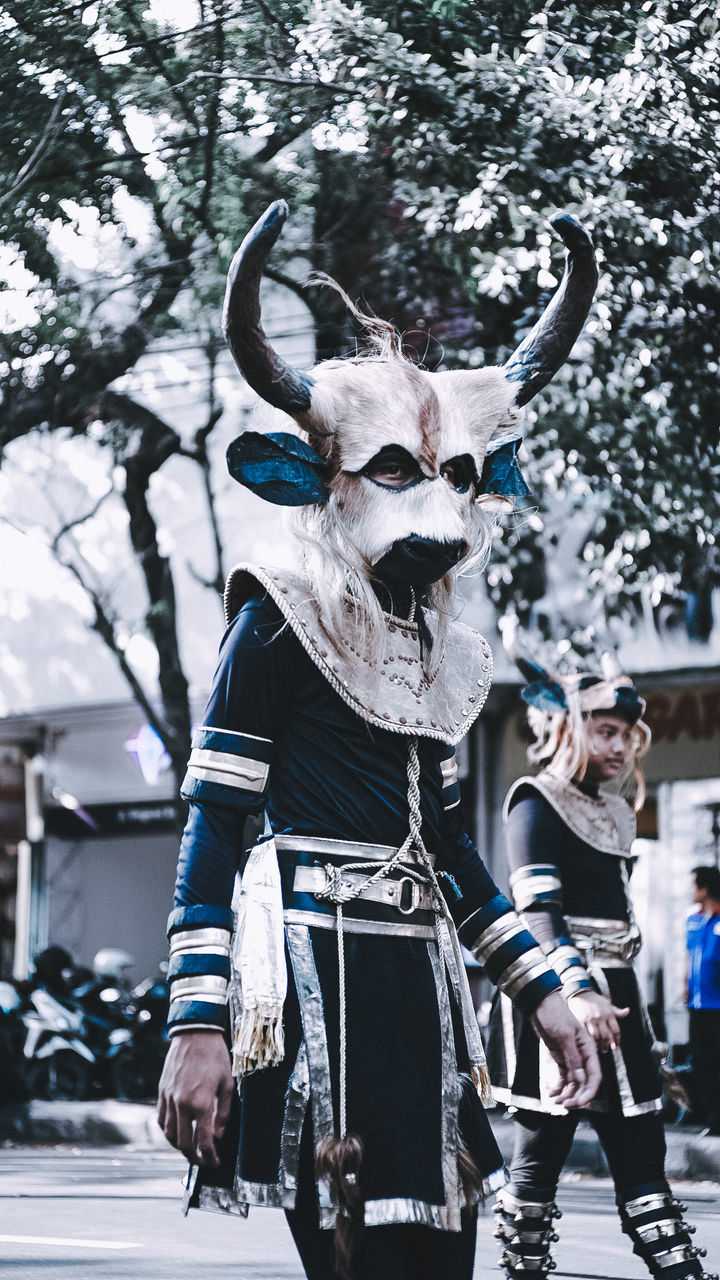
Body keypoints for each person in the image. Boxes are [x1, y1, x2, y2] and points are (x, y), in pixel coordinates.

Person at [157, 199, 603, 1280]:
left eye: (455, 476)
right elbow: (215, 820)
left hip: (424, 990)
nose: (437, 510)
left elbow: (444, 846)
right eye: (399, 470)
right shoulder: (276, 612)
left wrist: (541, 987)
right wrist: (197, 1023)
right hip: (317, 983)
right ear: (326, 481)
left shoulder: (428, 645)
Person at [487, 657, 716, 1280]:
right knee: (544, 1139)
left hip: (619, 987)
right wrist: (578, 990)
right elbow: (539, 914)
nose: (618, 747)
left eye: (624, 734)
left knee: (641, 1135)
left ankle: (677, 1269)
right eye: (604, 731)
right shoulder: (533, 799)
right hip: (559, 991)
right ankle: (523, 1268)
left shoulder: (616, 811)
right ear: (566, 727)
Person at [686, 865, 720, 1137]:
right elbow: (690, 956)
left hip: (717, 1006)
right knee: (702, 1062)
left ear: (704, 888)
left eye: (693, 884)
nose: (690, 890)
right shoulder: (693, 920)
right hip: (698, 1006)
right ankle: (713, 1118)